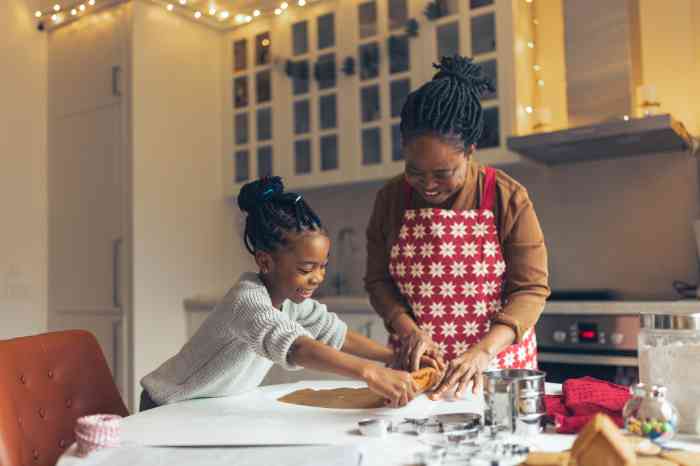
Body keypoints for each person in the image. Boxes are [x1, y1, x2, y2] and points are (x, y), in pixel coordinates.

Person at [140, 176, 420, 411]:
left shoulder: (290, 301)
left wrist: (390, 358)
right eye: (306, 268)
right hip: (166, 406)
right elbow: (297, 346)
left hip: (206, 408)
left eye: (323, 266)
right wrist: (369, 372)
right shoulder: (247, 302)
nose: (318, 277)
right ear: (265, 262)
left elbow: (335, 333)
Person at [364, 55, 550, 400]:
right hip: (415, 372)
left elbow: (531, 290)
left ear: (470, 152)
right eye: (415, 172)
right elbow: (378, 282)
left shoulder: (507, 197)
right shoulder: (390, 199)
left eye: (443, 173)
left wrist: (482, 352)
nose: (428, 185)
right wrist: (409, 331)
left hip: (495, 370)